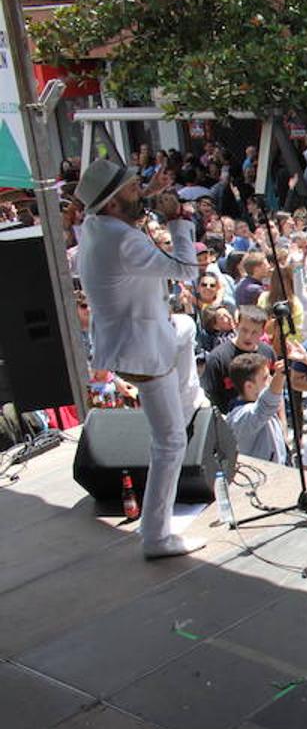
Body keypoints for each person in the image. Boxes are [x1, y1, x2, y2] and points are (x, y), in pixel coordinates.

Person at [76, 159, 204, 558]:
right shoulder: (125, 241)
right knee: (169, 444)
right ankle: (157, 536)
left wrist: (145, 193)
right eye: (132, 190)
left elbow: (125, 206)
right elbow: (187, 270)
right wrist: (179, 219)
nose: (140, 193)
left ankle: (187, 403)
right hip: (143, 350)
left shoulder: (97, 226)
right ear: (113, 204)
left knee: (185, 327)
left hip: (131, 337)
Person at [200, 305, 276, 413]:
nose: (248, 336)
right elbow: (212, 397)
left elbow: (275, 390)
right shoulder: (217, 358)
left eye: (254, 332)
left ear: (262, 332)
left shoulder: (268, 353)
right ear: (236, 326)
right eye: (244, 330)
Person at [226, 351, 288, 464]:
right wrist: (279, 376)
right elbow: (267, 404)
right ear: (249, 386)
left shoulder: (256, 404)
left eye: (270, 375)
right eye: (265, 378)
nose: (270, 380)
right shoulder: (242, 416)